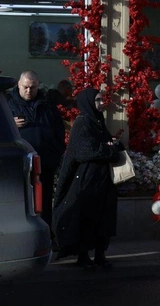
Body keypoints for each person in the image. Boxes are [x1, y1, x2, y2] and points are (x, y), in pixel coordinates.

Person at [52, 89, 122, 270]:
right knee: (86, 218)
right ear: (88, 102)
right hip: (86, 180)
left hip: (102, 180)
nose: (100, 103)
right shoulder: (82, 123)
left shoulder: (98, 121)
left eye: (101, 100)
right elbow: (84, 151)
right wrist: (109, 150)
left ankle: (100, 255)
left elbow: (105, 144)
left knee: (103, 219)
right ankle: (83, 257)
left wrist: (112, 145)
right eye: (97, 100)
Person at [7, 70, 66, 234]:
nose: (28, 91)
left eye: (32, 87)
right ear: (19, 85)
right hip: (17, 166)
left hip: (45, 163)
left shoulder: (47, 105)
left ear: (38, 86)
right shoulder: (7, 105)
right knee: (20, 202)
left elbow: (59, 132)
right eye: (25, 87)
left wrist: (55, 154)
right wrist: (10, 124)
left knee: (44, 202)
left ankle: (45, 235)